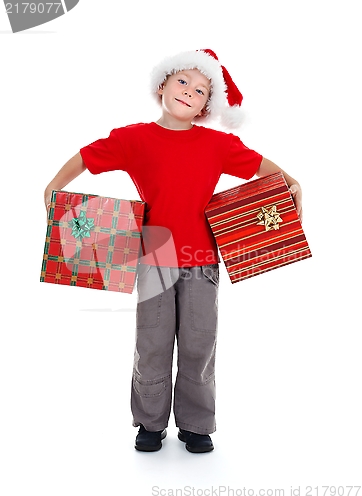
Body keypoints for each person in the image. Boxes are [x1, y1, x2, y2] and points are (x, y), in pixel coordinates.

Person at [44, 48, 303, 454]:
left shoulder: (219, 144)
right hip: (154, 260)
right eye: (182, 81)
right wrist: (53, 187)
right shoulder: (132, 139)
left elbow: (262, 168)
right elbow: (87, 157)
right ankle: (149, 424)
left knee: (200, 344)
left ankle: (197, 425)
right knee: (152, 343)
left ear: (205, 106)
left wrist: (294, 183)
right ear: (162, 84)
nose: (189, 92)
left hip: (203, 262)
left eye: (201, 90)